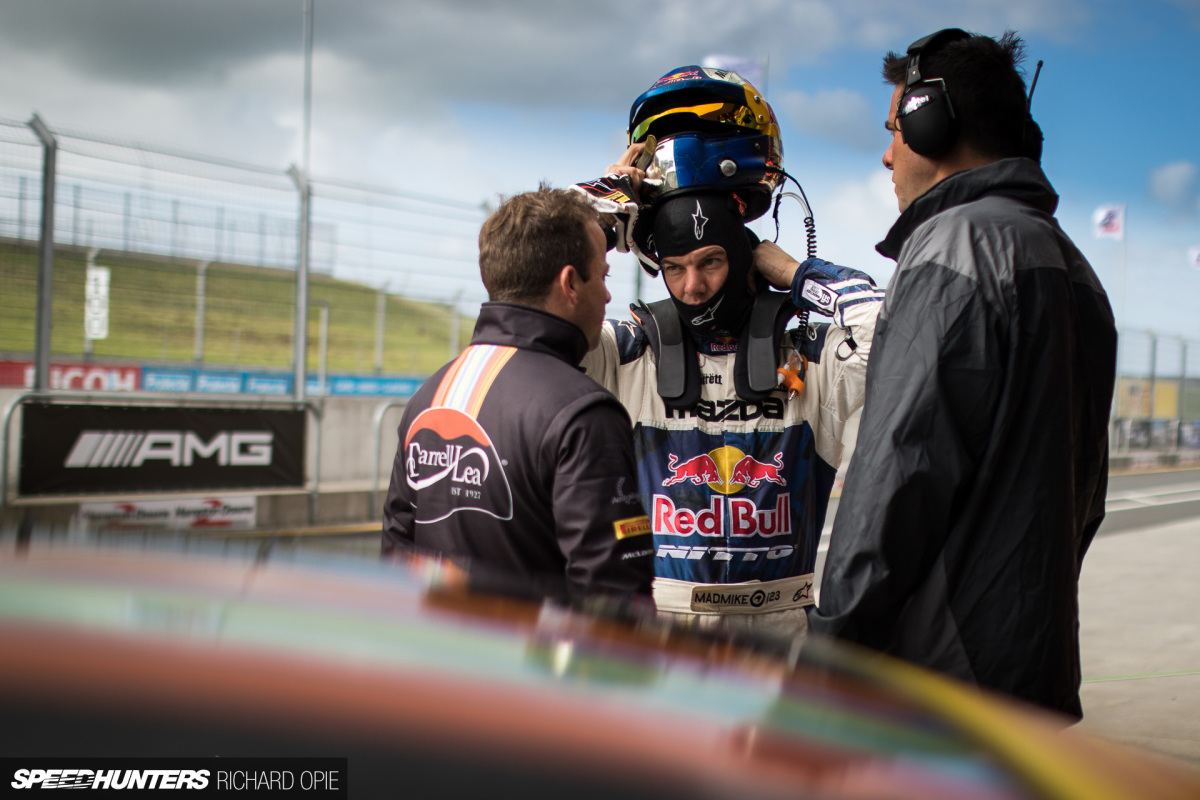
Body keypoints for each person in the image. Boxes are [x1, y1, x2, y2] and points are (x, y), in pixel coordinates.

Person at [809, 29, 1117, 721]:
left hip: (934, 688)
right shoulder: (1071, 267)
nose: (888, 154)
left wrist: (824, 667)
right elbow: (1083, 495)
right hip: (1024, 671)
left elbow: (895, 482)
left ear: (931, 121)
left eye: (895, 129)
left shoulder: (956, 249)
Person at [576, 66, 884, 640]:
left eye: (711, 262)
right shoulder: (626, 352)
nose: (692, 287)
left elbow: (897, 335)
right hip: (659, 632)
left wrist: (797, 274)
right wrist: (600, 206)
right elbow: (533, 306)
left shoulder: (806, 355)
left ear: (745, 258)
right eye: (674, 268)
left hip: (781, 632)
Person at [382, 185, 654, 603]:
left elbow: (397, 560)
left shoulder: (431, 395)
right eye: (602, 274)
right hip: (532, 667)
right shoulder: (583, 412)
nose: (607, 294)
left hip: (433, 661)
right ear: (569, 284)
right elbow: (614, 598)